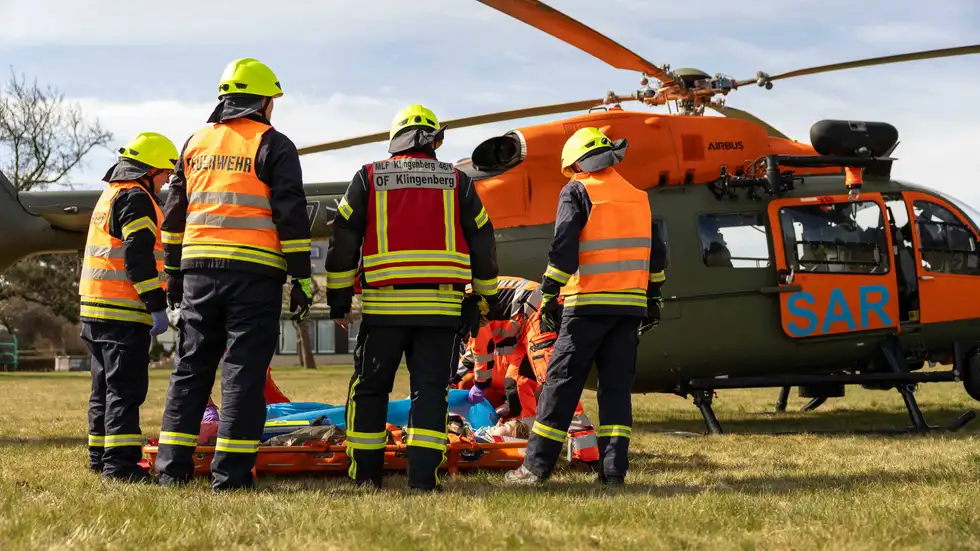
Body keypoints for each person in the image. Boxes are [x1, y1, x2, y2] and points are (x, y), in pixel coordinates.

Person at [155, 58, 313, 491]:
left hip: (197, 274)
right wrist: (301, 278)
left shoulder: (194, 143)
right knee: (243, 373)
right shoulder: (274, 144)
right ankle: (230, 476)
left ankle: (171, 471)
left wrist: (173, 273)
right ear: (263, 102)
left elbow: (173, 215)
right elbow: (291, 218)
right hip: (254, 275)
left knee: (191, 369)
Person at [325, 104, 498, 492]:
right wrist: (484, 297)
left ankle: (365, 476)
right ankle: (422, 480)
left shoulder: (369, 176)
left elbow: (343, 238)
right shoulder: (457, 181)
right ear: (435, 141)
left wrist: (339, 299)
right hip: (441, 310)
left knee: (370, 389)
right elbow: (483, 239)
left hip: (384, 310)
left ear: (395, 140)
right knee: (431, 393)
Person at [504, 127, 666, 487]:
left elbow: (564, 248)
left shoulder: (577, 190)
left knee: (560, 387)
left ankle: (535, 468)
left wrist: (549, 294)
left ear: (577, 163)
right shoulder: (639, 197)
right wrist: (654, 296)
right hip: (629, 309)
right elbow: (657, 254)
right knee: (616, 390)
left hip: (586, 306)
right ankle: (613, 472)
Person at [80, 131, 178, 482]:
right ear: (150, 170)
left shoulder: (110, 194)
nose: (167, 182)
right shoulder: (137, 198)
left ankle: (99, 456)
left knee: (103, 390)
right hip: (122, 313)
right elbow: (138, 257)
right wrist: (156, 304)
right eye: (165, 174)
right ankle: (120, 467)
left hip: (94, 311)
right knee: (125, 390)